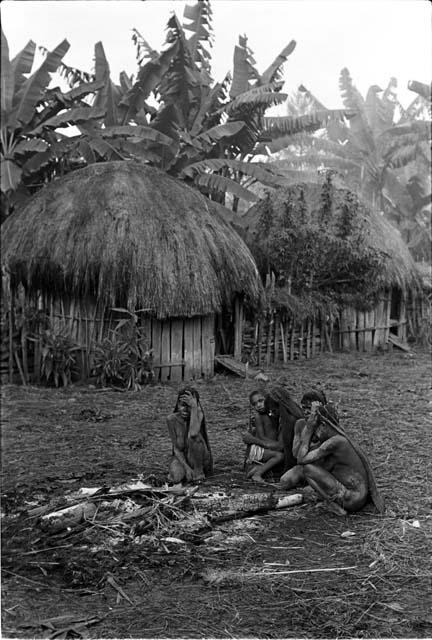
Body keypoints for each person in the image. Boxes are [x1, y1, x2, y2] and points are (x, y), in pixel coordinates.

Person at [280, 402, 385, 515]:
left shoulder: (335, 442)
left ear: (324, 425)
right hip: (357, 498)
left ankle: (333, 505)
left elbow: (301, 459)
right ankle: (334, 503)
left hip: (351, 499)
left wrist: (309, 429)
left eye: (317, 428)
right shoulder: (337, 439)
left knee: (307, 469)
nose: (316, 432)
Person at [167, 386, 213, 484]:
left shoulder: (198, 414)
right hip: (183, 459)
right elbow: (177, 449)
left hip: (199, 459)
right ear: (177, 404)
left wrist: (194, 408)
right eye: (182, 405)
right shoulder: (171, 419)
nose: (184, 409)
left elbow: (193, 434)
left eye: (188, 406)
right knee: (177, 478)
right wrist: (186, 468)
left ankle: (198, 472)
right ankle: (187, 472)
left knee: (193, 438)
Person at [242, 390, 284, 483]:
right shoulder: (258, 417)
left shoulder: (274, 414)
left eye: (261, 401)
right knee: (279, 456)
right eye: (255, 404)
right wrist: (274, 445)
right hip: (260, 448)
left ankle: (257, 470)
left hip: (268, 447)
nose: (258, 405)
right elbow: (261, 437)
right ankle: (257, 474)